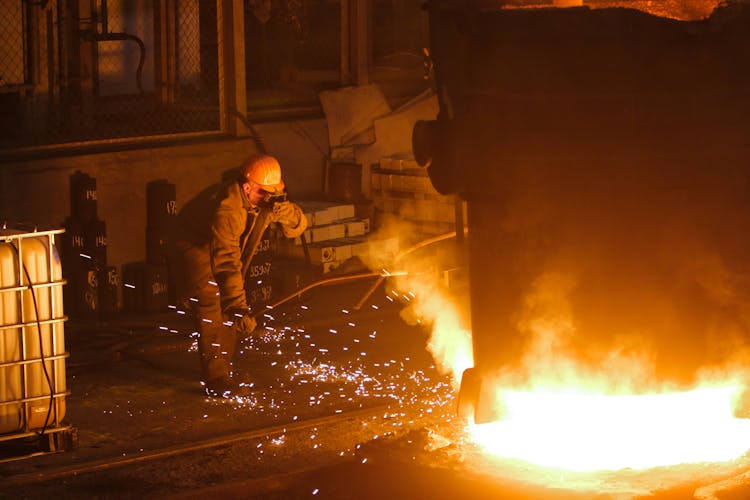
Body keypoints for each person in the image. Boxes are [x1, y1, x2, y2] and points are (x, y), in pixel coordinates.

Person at [173, 154, 307, 397]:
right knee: (212, 298)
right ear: (247, 187)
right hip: (194, 243)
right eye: (265, 193)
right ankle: (216, 378)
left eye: (274, 192)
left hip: (221, 244)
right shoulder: (227, 210)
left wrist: (286, 212)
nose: (269, 198)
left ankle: (224, 367)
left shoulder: (261, 198)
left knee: (231, 301)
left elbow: (299, 225)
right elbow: (225, 263)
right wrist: (237, 307)